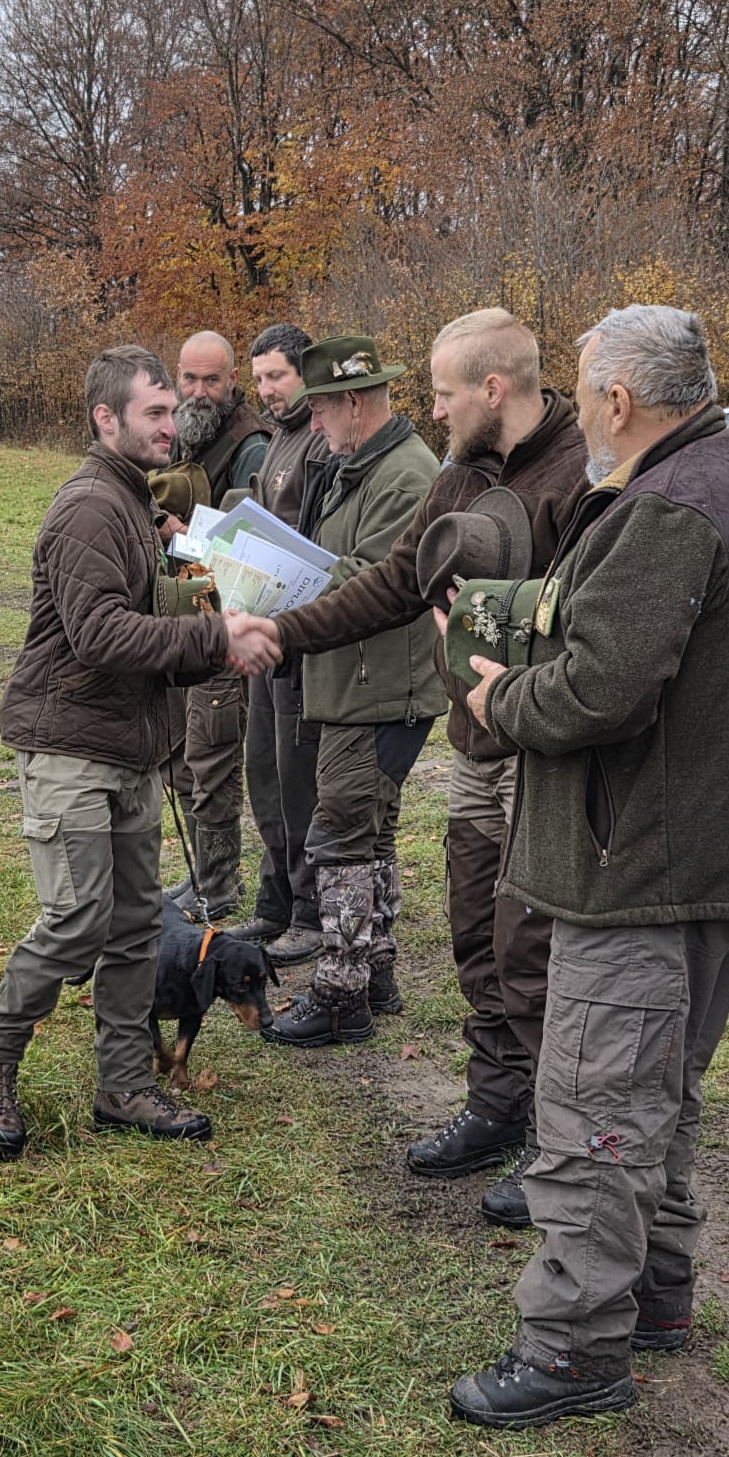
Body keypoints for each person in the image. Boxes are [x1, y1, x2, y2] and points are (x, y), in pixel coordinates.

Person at [447, 305, 729, 1430]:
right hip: (691, 853)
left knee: (595, 1108)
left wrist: (500, 698)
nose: (581, 415)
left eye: (584, 395)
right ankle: (654, 1296)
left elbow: (599, 688)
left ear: (618, 399)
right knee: (656, 1093)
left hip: (644, 868)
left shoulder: (671, 501)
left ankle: (573, 1349)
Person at [272, 311, 587, 1197]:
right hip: (475, 750)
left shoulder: (579, 478)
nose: (435, 410)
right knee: (475, 934)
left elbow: (594, 628)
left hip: (546, 756)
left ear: (493, 388)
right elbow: (390, 584)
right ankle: (496, 1107)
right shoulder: (458, 475)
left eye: (446, 394)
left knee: (534, 949)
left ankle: (555, 1143)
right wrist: (282, 632)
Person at [0, 345, 279, 1158]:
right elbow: (98, 634)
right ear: (107, 418)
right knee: (78, 921)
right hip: (70, 743)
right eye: (154, 413)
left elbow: (154, 622)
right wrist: (214, 634)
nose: (172, 426)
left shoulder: (137, 500)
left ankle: (125, 1084)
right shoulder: (90, 509)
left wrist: (215, 641)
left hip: (133, 748)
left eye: (173, 411)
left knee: (135, 925)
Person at [263, 334, 445, 1048]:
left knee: (339, 835)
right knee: (371, 832)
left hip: (378, 686)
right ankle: (375, 972)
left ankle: (341, 994)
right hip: (359, 680)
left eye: (320, 410)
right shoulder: (362, 466)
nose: (312, 423)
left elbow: (367, 582)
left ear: (354, 403)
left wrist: (278, 591)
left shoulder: (403, 475)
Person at [157, 331, 272, 920]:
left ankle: (220, 884)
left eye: (211, 380)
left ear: (232, 382)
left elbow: (253, 546)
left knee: (213, 754)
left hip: (226, 621)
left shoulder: (251, 447)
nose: (199, 391)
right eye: (189, 378)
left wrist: (183, 534)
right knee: (180, 751)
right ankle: (202, 874)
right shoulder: (180, 433)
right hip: (183, 617)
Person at [233, 321, 325, 966]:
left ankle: (310, 910)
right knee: (262, 768)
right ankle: (274, 901)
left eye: (277, 376)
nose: (266, 389)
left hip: (299, 633)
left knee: (298, 779)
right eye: (260, 378)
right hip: (264, 628)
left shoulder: (320, 438)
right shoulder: (279, 439)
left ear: (304, 372)